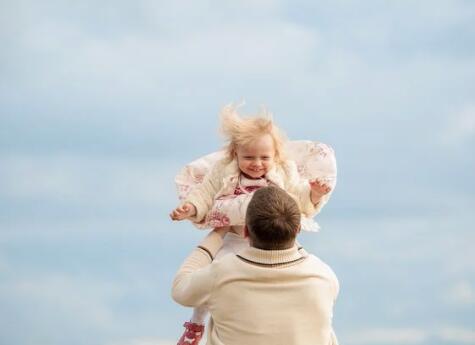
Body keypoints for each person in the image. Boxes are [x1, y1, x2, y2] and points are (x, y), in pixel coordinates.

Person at [170, 103, 337, 345]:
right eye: (248, 157)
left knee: (210, 279)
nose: (256, 163)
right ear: (234, 154)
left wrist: (315, 195)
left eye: (264, 158)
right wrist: (191, 208)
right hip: (235, 237)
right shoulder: (224, 171)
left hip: (274, 236)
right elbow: (205, 193)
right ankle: (197, 322)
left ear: (276, 156)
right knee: (210, 278)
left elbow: (299, 196)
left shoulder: (283, 171)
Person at [172, 186, 339, 345]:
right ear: (298, 230)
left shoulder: (223, 273)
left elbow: (180, 289)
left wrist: (218, 232)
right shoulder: (323, 276)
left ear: (246, 232)